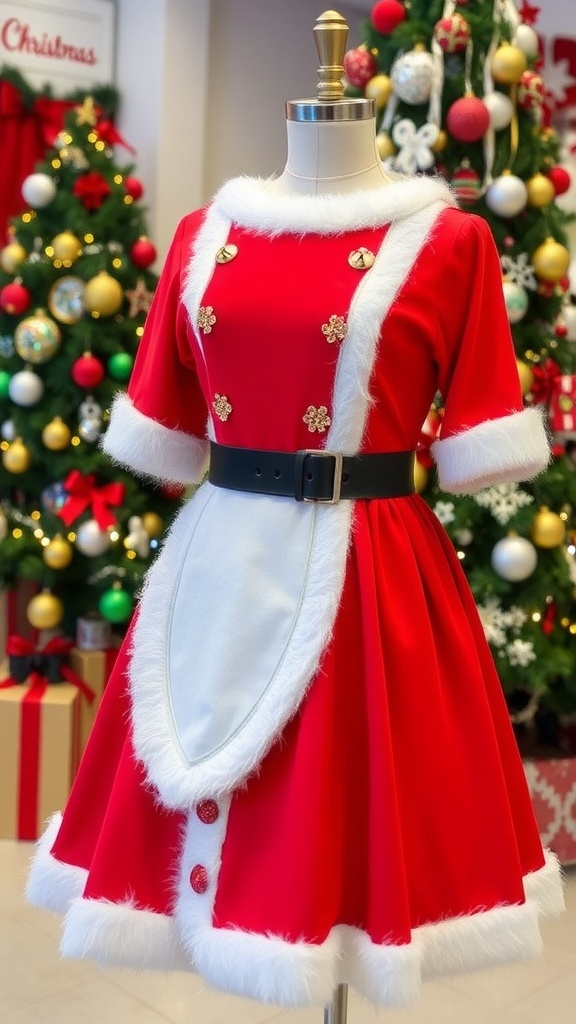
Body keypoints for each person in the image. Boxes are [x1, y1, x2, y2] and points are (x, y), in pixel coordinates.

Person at [27, 10, 564, 1011]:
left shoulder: (452, 243)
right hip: (219, 565)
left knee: (347, 823)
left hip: (375, 573)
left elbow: (476, 440)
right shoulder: (204, 235)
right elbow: (170, 428)